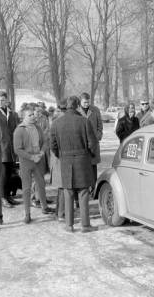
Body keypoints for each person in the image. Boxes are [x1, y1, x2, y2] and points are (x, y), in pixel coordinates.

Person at [51, 96, 98, 233]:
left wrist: (61, 155)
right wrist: (90, 154)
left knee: (68, 192)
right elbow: (92, 143)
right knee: (83, 193)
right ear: (77, 106)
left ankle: (69, 225)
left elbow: (53, 145)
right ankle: (85, 225)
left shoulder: (56, 123)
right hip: (82, 160)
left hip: (65, 160)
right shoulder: (84, 121)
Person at [14, 107, 55, 224]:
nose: (33, 117)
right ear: (23, 117)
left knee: (41, 184)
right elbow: (17, 149)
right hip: (27, 162)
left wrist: (41, 153)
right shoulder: (19, 130)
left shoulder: (38, 127)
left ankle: (44, 207)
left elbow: (45, 142)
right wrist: (32, 157)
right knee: (26, 188)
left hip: (39, 160)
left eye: (33, 114)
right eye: (30, 115)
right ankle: (27, 214)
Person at [0, 90, 20, 207]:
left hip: (12, 148)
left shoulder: (13, 114)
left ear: (7, 100)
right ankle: (2, 197)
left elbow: (17, 129)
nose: (0, 102)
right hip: (1, 148)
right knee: (3, 174)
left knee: (10, 173)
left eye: (2, 100)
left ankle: (8, 195)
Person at [78, 92, 103, 192]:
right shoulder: (77, 111)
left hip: (94, 142)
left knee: (93, 167)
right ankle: (84, 189)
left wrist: (98, 136)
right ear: (80, 102)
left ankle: (93, 188)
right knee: (83, 167)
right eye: (84, 102)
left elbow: (100, 125)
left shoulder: (95, 110)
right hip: (82, 143)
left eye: (88, 102)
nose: (86, 104)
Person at [50, 100, 67, 221]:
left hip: (57, 158)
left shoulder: (56, 121)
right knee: (63, 187)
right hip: (60, 158)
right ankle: (61, 213)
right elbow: (54, 145)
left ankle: (58, 212)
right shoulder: (58, 123)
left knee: (62, 187)